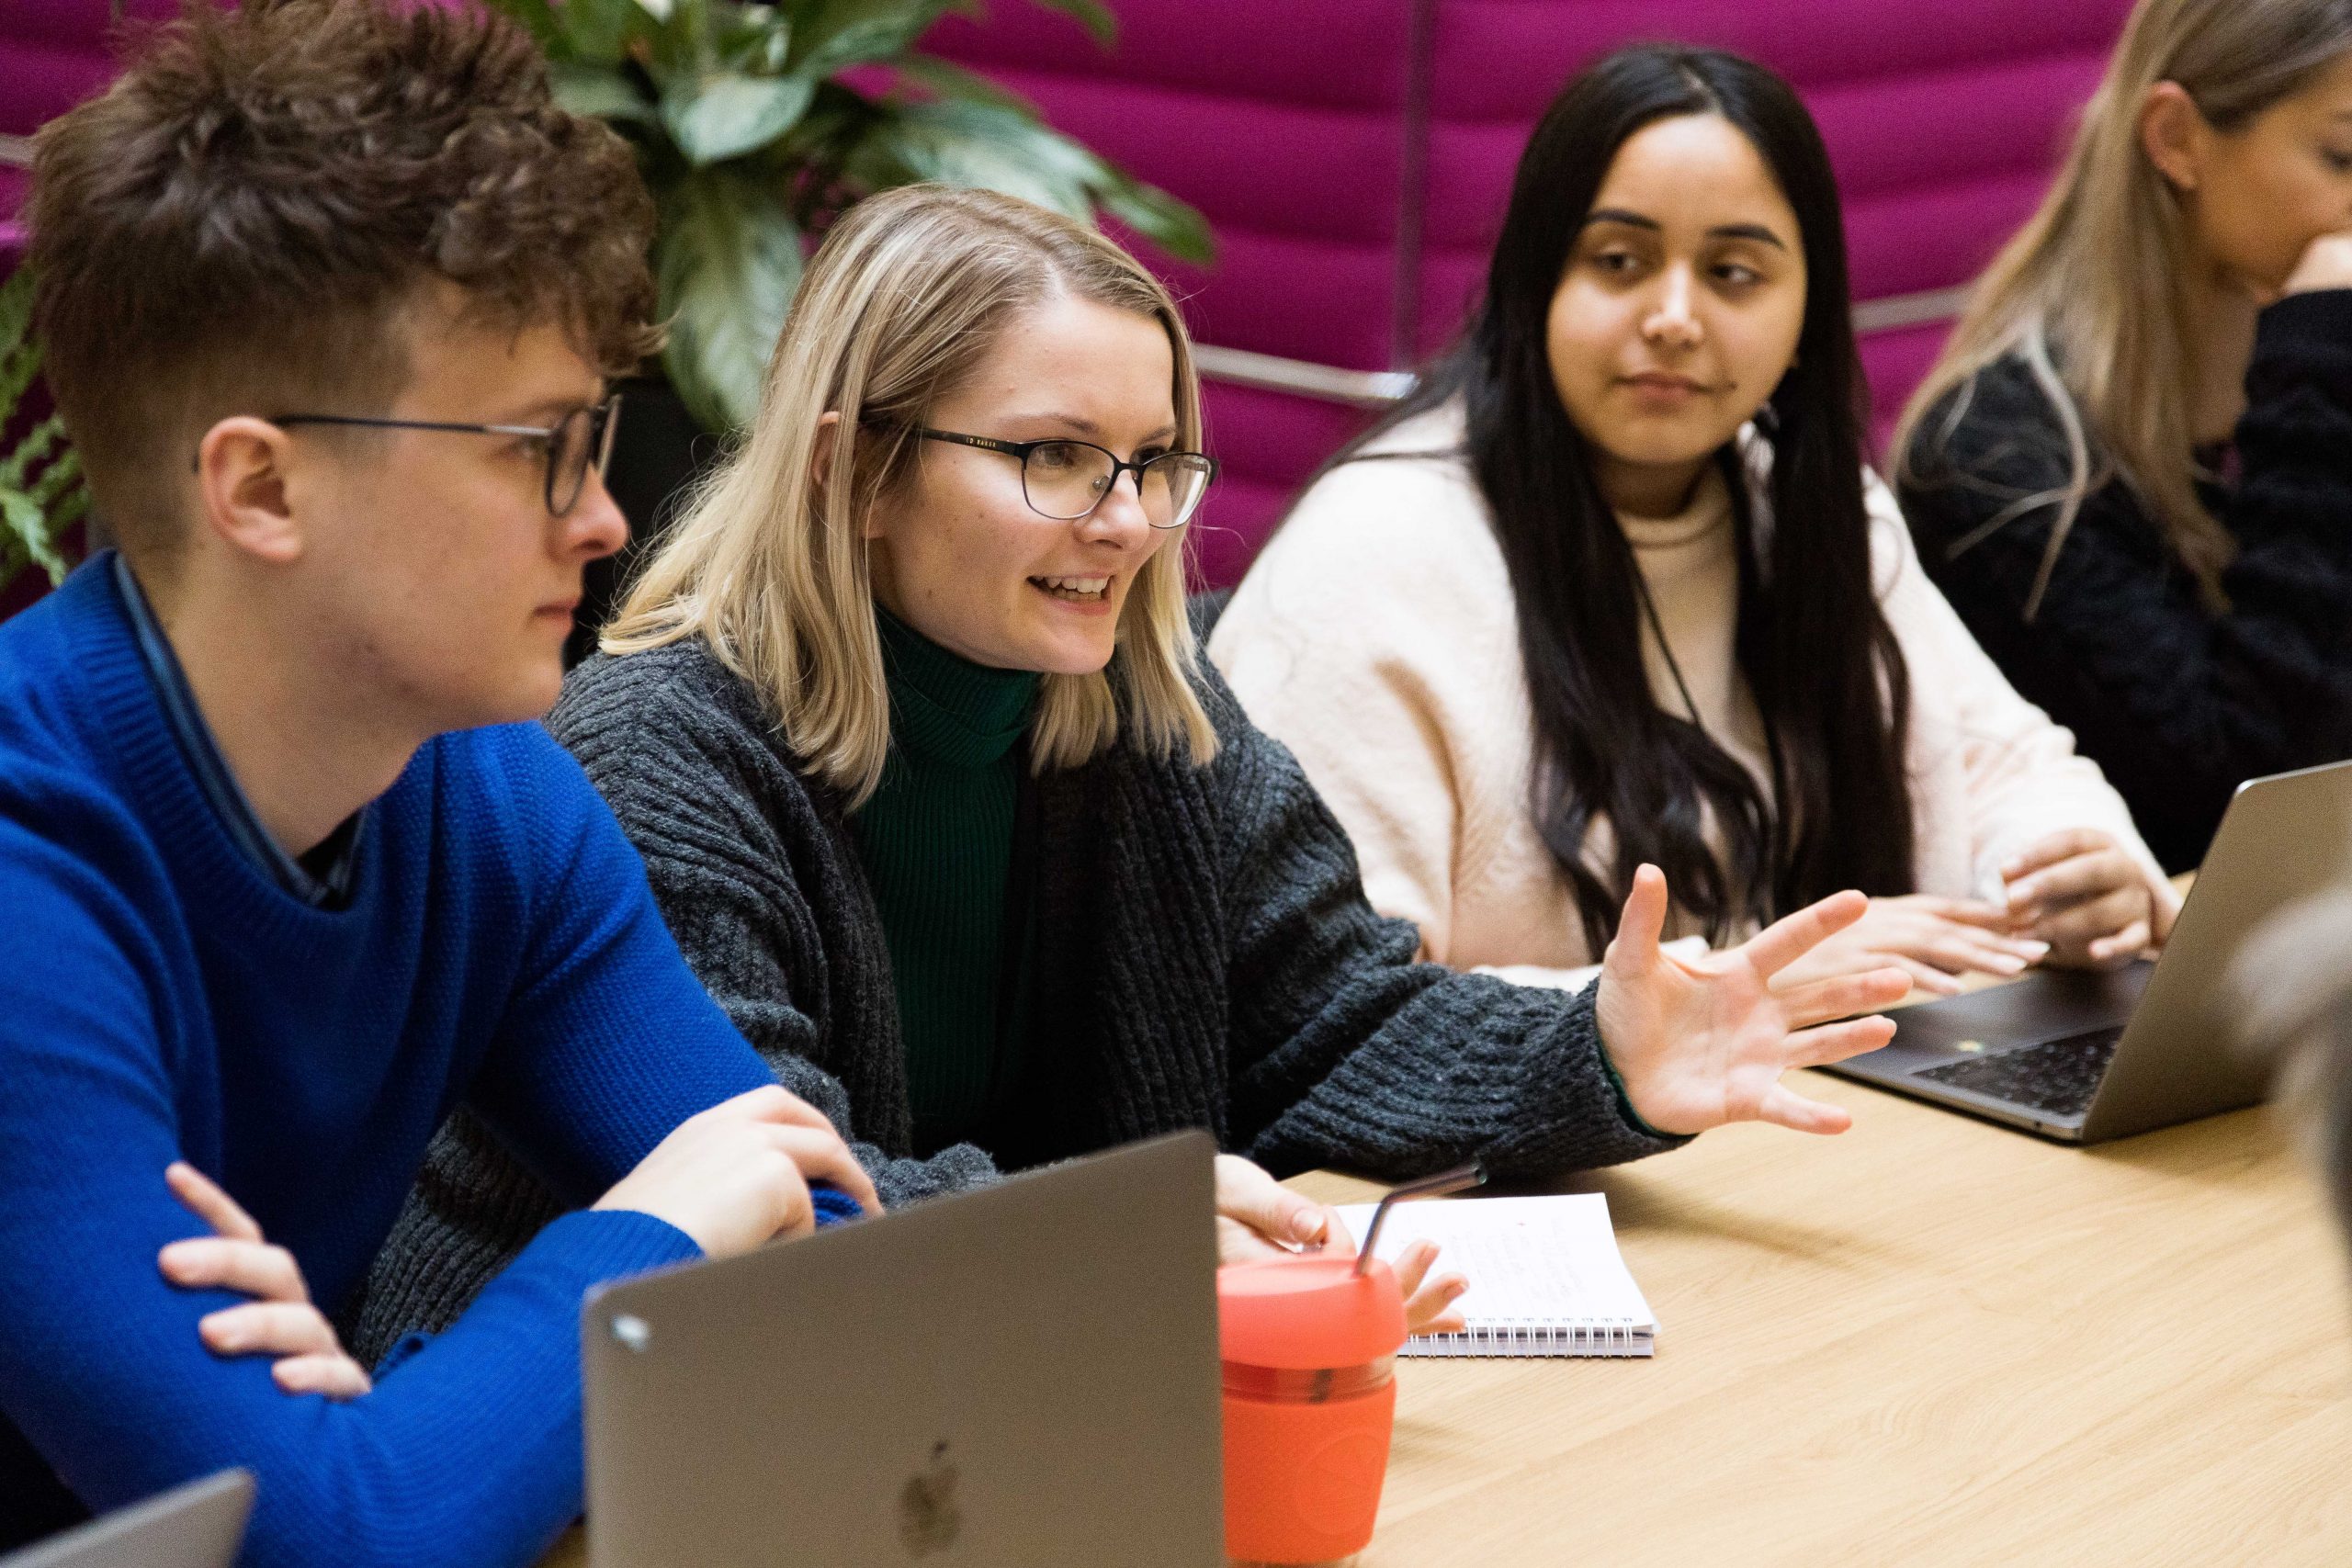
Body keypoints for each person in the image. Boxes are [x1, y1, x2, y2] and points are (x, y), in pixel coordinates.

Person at [347, 180, 1922, 1358]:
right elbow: (775, 1192)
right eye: (1053, 457)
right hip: (587, 1439)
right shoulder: (658, 758)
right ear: (852, 469)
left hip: (961, 1394)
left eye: (1155, 462)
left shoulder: (1144, 716)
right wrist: (1113, 1235)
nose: (1128, 521)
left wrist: (1601, 1055)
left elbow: (1335, 1020)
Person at [0, 4, 880, 1562]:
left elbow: (823, 1276)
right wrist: (636, 1250)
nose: (605, 519)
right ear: (261, 485)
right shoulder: (23, 881)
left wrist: (378, 1444)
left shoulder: (486, 795)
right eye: (538, 447)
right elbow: (339, 1538)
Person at [1210, 46, 2174, 999]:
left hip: (1823, 1111)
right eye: (1619, 261)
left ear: (1807, 310)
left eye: (1734, 273)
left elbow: (2003, 764)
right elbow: (1335, 1018)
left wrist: (2061, 866)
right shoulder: (1373, 557)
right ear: (1531, 284)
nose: (1675, 316)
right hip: (1512, 1153)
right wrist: (1744, 988)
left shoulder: (1806, 503)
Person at [1895, 0, 2352, 874]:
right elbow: (2248, 803)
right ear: (2177, 138)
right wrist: (2318, 376)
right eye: (2343, 156)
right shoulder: (1998, 460)